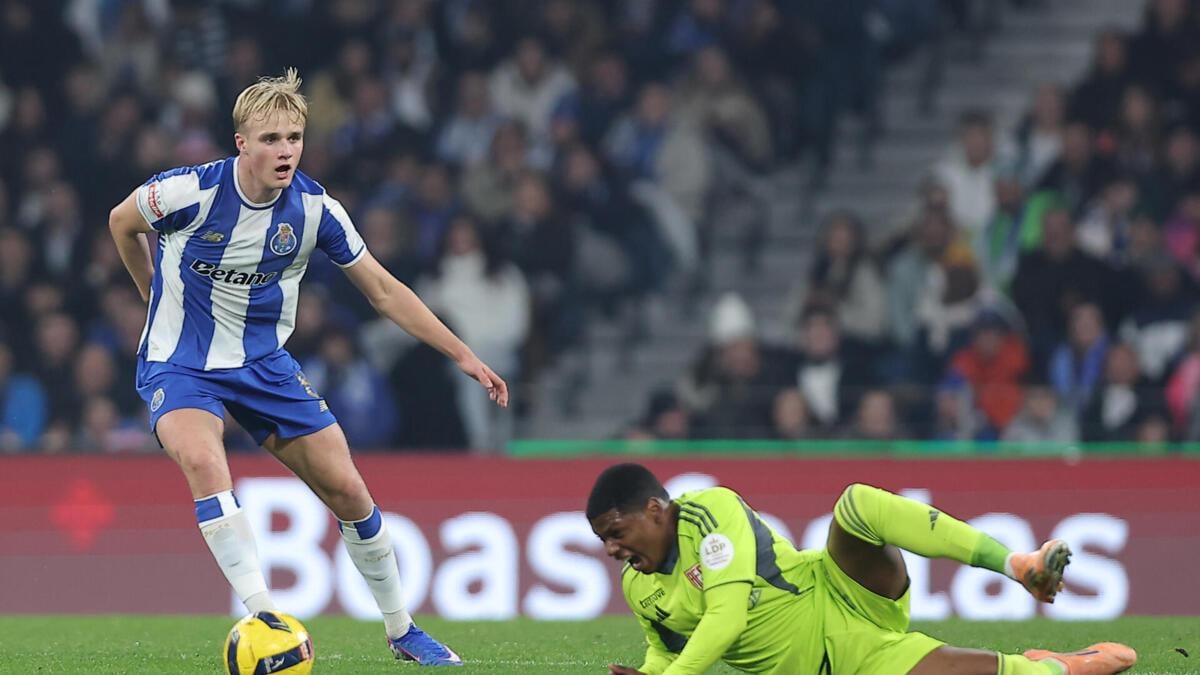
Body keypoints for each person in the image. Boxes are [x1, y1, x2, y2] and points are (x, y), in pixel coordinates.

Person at [108, 69, 509, 666]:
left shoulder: (316, 210)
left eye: (294, 138)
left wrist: (463, 354)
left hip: (265, 364)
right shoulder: (188, 192)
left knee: (349, 491)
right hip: (182, 362)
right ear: (241, 143)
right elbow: (122, 222)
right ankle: (264, 616)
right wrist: (152, 296)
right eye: (270, 139)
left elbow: (383, 291)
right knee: (204, 460)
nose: (285, 151)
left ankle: (402, 629)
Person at [587, 463, 1136, 675]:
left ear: (655, 510)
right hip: (848, 662)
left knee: (856, 504)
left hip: (842, 588)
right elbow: (667, 650)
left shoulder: (710, 512)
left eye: (617, 532)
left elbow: (725, 619)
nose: (612, 550)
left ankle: (1020, 564)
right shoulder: (638, 586)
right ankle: (1058, 666)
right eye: (603, 541)